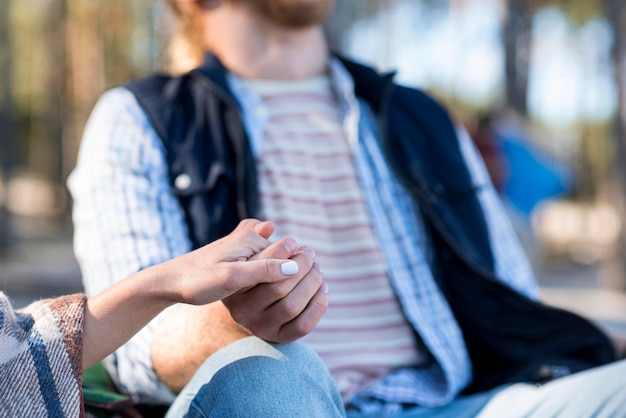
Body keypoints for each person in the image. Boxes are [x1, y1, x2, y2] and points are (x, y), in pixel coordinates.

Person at [68, 0, 626, 416]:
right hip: (284, 403)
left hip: (458, 404)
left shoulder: (421, 118)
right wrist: (232, 320)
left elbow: (518, 309)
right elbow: (131, 351)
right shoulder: (137, 119)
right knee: (265, 380)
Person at [0, 219, 343, 417]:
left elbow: (13, 358)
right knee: (269, 375)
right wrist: (164, 285)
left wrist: (165, 284)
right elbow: (13, 370)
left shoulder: (389, 114)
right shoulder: (138, 114)